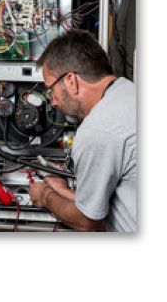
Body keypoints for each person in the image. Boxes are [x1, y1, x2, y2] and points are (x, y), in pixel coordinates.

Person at [29, 29, 136, 232]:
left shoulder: (98, 129)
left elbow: (87, 221)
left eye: (51, 89)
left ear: (71, 81)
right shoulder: (127, 91)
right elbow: (106, 199)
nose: (52, 101)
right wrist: (62, 190)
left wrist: (44, 195)